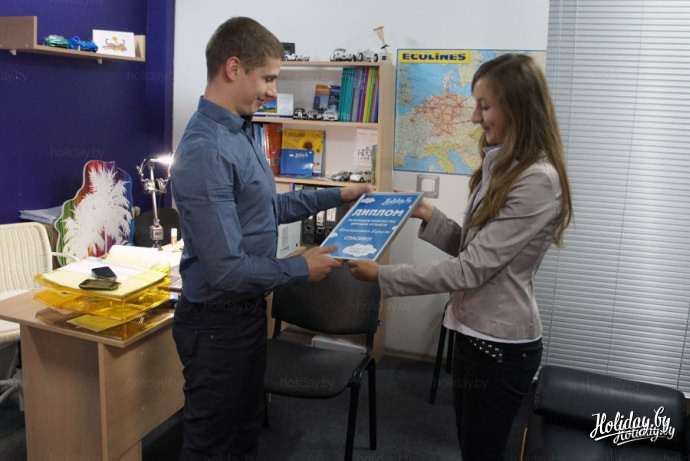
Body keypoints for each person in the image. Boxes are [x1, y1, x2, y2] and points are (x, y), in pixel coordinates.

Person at [348, 53, 572, 460]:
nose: (473, 117)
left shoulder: (536, 180)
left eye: (484, 106)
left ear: (518, 108)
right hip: (470, 332)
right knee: (470, 445)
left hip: (500, 346)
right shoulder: (501, 165)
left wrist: (382, 277)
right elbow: (475, 249)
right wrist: (427, 213)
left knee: (481, 452)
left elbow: (471, 269)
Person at [170, 17, 371, 460]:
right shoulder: (206, 150)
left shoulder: (242, 133)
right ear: (233, 68)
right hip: (216, 326)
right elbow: (226, 270)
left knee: (244, 434)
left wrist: (338, 194)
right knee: (210, 446)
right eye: (267, 78)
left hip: (244, 318)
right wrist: (300, 268)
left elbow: (269, 210)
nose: (271, 91)